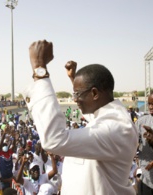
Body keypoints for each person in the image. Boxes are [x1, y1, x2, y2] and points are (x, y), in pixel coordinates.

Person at [23, 40, 138, 194]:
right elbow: (93, 117)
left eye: (77, 94)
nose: (75, 99)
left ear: (95, 93)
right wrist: (75, 80)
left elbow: (54, 139)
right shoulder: (109, 118)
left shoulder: (117, 128)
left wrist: (39, 69)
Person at [135, 92, 153, 195]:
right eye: (149, 103)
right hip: (145, 178)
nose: (151, 107)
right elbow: (131, 143)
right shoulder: (141, 122)